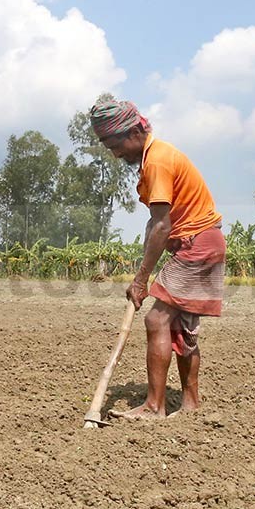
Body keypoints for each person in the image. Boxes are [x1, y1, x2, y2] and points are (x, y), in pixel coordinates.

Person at [90, 99, 226, 419]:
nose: (115, 153)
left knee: (157, 320)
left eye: (116, 144)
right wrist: (144, 271)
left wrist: (141, 281)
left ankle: (154, 407)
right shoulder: (155, 158)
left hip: (197, 244)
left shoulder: (157, 161)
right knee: (179, 326)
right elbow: (155, 222)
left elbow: (162, 225)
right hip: (199, 242)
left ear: (136, 131)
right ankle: (191, 405)